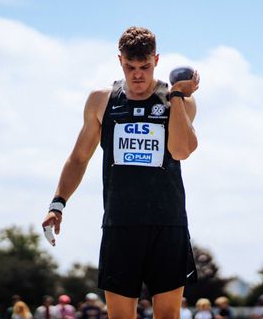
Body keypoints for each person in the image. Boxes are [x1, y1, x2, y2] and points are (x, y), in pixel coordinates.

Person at [41, 26, 200, 319]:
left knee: (167, 316)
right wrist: (57, 203)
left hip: (168, 224)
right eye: (130, 67)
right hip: (120, 224)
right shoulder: (101, 101)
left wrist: (177, 97)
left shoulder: (179, 100)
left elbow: (180, 151)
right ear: (120, 62)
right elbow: (78, 158)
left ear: (157, 60)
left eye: (145, 66)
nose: (138, 74)